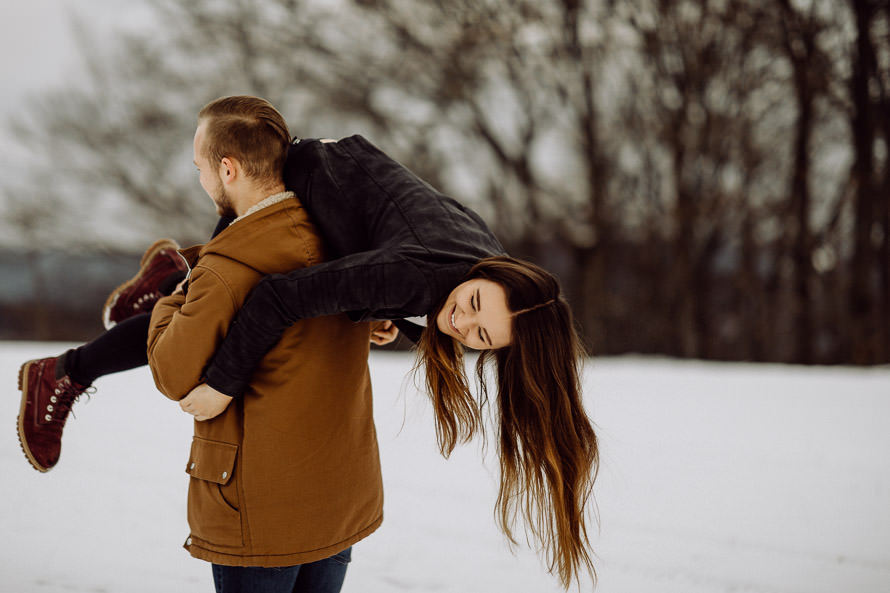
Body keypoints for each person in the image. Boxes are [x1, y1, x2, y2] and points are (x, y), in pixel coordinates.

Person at [16, 96, 599, 588]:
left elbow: (410, 284)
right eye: (472, 308)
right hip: (304, 183)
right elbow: (281, 300)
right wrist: (222, 385)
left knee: (216, 302)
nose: (462, 327)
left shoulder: (479, 266)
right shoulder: (416, 275)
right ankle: (91, 352)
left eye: (482, 338)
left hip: (348, 202)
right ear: (489, 275)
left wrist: (380, 311)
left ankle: (168, 283)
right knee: (217, 311)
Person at [168, 95, 381, 591]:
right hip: (337, 500)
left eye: (199, 167)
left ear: (228, 168)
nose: (200, 179)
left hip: (261, 514)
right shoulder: (344, 244)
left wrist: (169, 299)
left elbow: (173, 374)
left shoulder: (224, 268)